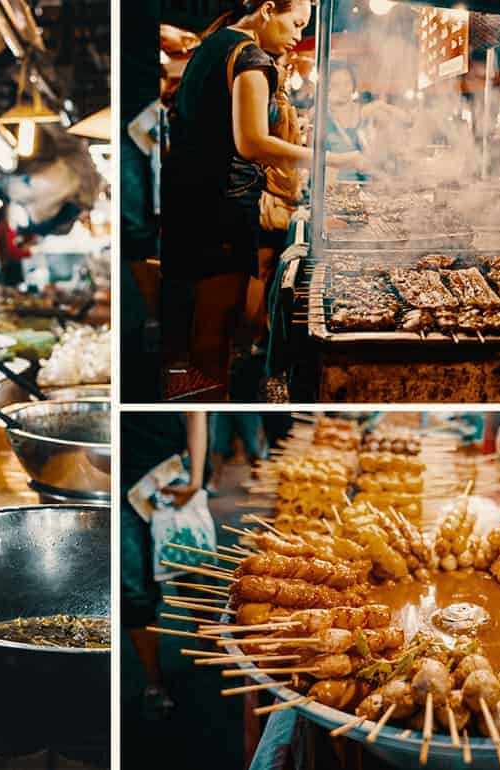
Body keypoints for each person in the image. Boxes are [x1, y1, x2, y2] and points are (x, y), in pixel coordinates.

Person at [161, 0, 361, 393]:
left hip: (189, 203)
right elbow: (251, 142)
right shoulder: (251, 58)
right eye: (297, 24)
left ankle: (192, 399)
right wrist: (330, 158)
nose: (299, 36)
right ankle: (206, 405)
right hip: (222, 207)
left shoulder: (213, 43)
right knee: (212, 338)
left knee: (193, 337)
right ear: (269, 9)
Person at [121, 411, 207, 720]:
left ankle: (212, 654)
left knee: (194, 571)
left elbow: (195, 408)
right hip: (120, 485)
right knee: (133, 590)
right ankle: (154, 681)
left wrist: (196, 475)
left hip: (171, 470)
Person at [324, 63, 370, 182]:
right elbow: (311, 158)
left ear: (353, 84)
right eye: (336, 84)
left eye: (347, 83)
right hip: (331, 187)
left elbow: (373, 155)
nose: (343, 89)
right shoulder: (320, 114)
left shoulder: (364, 113)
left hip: (363, 185)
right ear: (327, 87)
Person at [0, 193, 32, 287]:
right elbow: (11, 251)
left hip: (6, 266)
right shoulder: (3, 227)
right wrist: (27, 252)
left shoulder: (3, 226)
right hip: (9, 267)